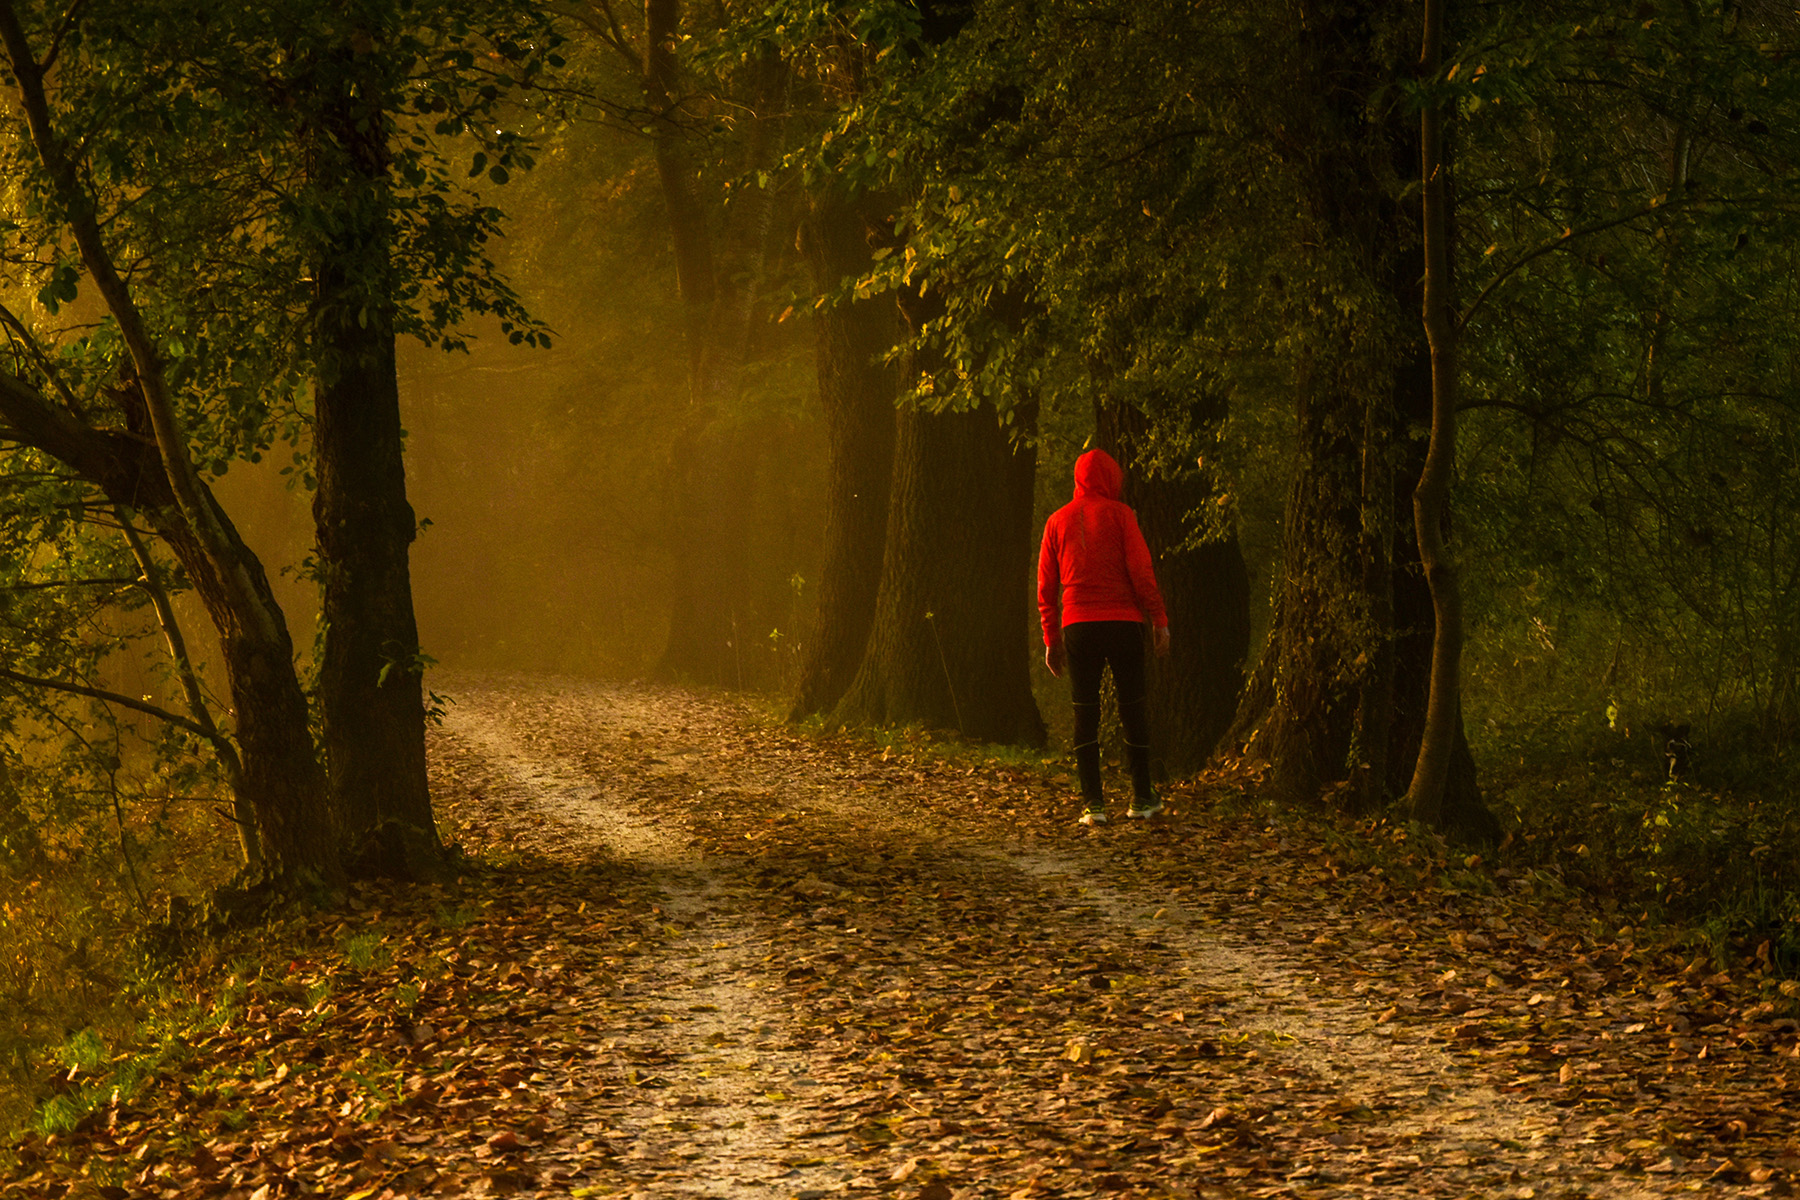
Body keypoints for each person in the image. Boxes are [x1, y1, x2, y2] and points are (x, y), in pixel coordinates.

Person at [1037, 447, 1171, 826]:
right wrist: (1159, 619)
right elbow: (1141, 570)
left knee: (1085, 712)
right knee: (1132, 707)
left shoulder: (1056, 521)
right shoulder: (1122, 515)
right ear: (1112, 478)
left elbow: (1045, 586)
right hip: (1124, 623)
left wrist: (1051, 639)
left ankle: (1093, 804)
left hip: (1078, 626)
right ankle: (1142, 797)